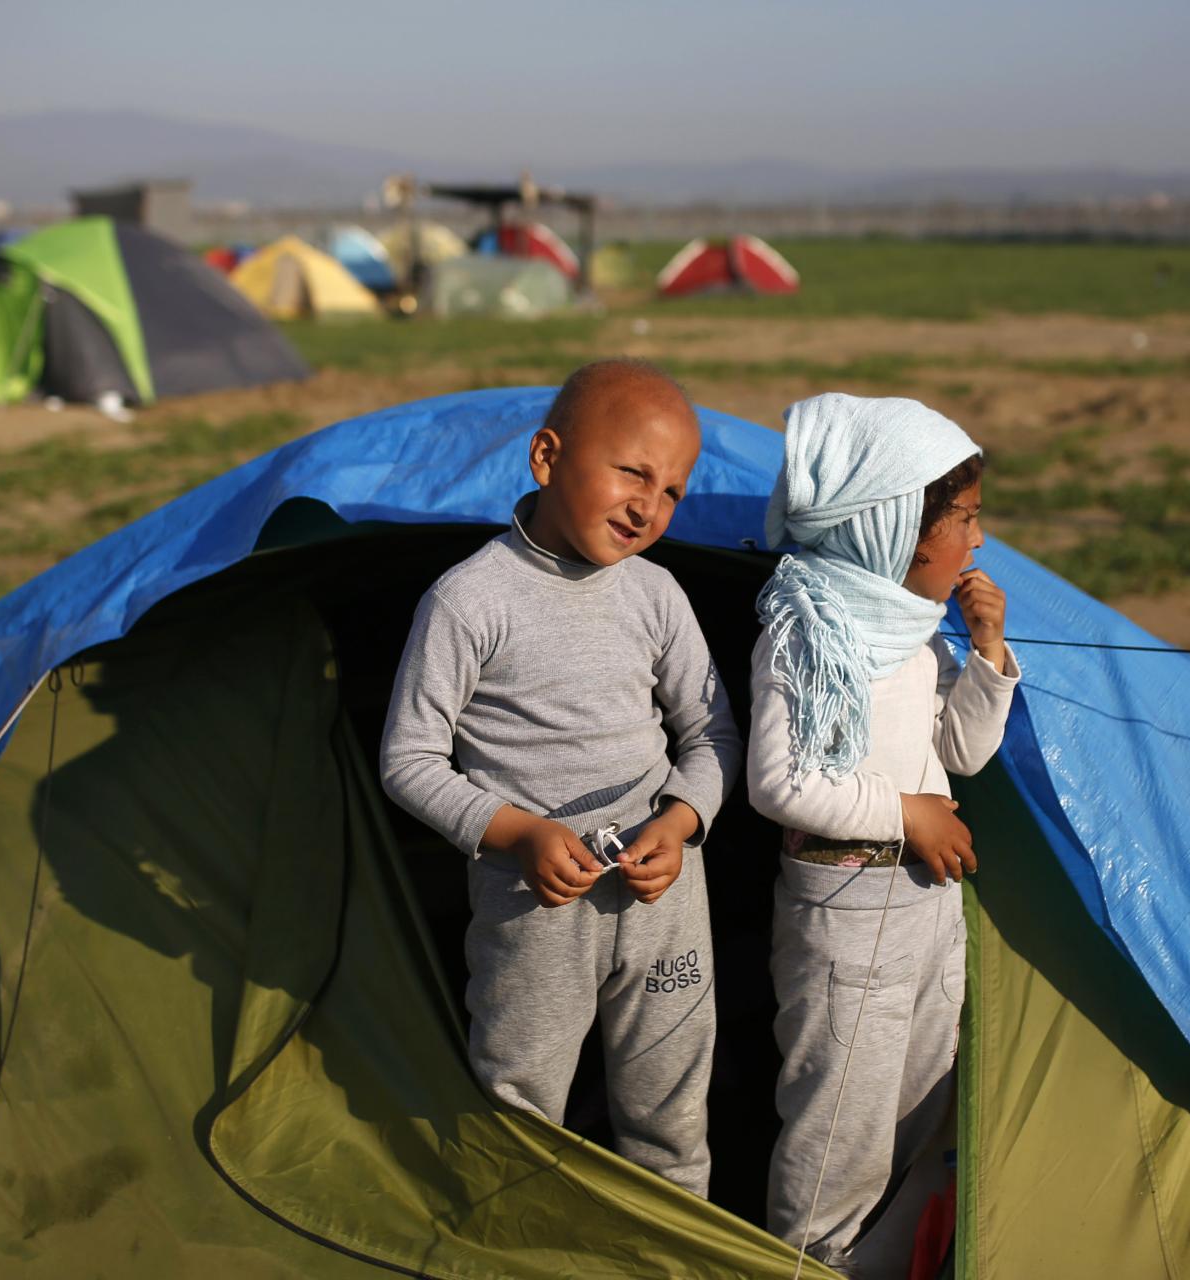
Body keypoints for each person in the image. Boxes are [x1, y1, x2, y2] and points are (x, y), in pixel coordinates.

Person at [379, 358, 741, 1197]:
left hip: (665, 901)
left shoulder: (657, 595)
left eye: (673, 491)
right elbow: (408, 759)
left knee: (672, 1109)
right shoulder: (468, 601)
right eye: (632, 473)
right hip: (535, 907)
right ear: (547, 458)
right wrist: (520, 834)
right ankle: (517, 1243)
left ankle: (677, 1250)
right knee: (520, 1099)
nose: (650, 505)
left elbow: (714, 734)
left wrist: (681, 824)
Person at [745, 393, 1019, 1269]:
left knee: (916, 1111)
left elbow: (959, 753)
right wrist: (907, 812)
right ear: (896, 524)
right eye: (965, 520)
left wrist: (986, 654)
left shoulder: (913, 633)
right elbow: (779, 780)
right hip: (849, 913)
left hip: (928, 910)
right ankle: (806, 1263)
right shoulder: (810, 631)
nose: (978, 542)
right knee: (840, 1138)